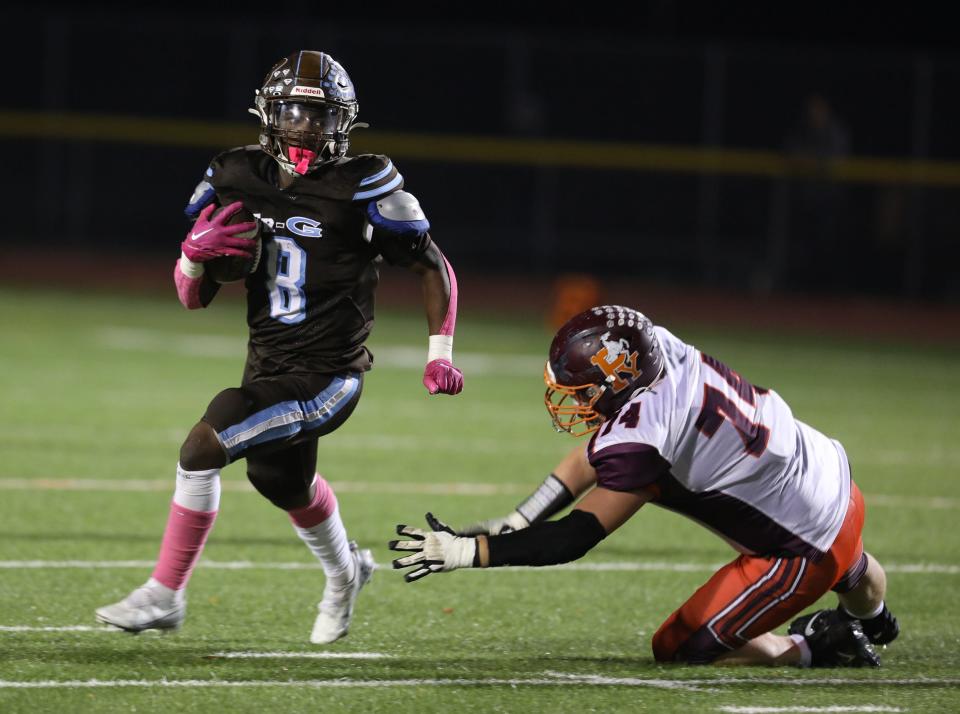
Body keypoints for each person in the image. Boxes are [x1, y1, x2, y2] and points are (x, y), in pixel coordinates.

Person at [96, 50, 464, 644]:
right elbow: (193, 300)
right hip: (268, 362)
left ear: (342, 122)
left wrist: (439, 352)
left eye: (317, 115)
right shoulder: (239, 175)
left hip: (328, 374)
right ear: (269, 113)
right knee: (282, 483)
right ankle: (348, 574)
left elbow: (432, 266)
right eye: (293, 112)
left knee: (203, 445)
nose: (304, 126)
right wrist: (195, 257)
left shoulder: (361, 184)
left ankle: (165, 593)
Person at [389, 305, 899, 667]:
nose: (576, 403)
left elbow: (574, 538)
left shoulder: (647, 438)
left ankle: (818, 645)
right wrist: (520, 519)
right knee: (848, 561)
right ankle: (873, 614)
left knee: (677, 646)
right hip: (832, 478)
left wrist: (467, 552)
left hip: (803, 546)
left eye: (583, 391)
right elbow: (595, 455)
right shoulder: (658, 349)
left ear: (616, 383)